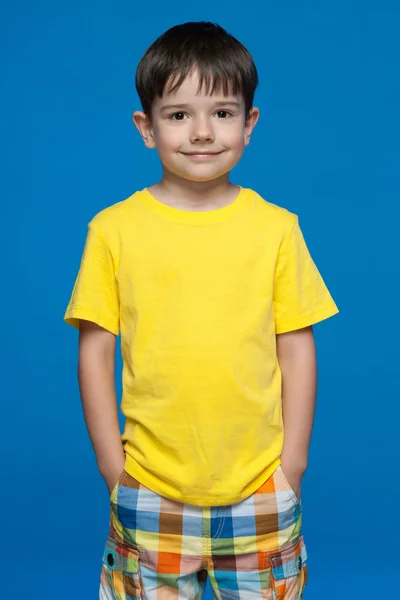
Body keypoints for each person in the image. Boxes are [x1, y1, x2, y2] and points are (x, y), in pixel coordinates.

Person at [64, 21, 339, 600]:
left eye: (222, 112)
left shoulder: (277, 230)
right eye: (179, 114)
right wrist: (115, 472)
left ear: (249, 123)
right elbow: (95, 353)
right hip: (149, 486)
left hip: (260, 485)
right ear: (147, 127)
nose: (202, 132)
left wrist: (293, 466)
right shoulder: (113, 231)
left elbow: (297, 345)